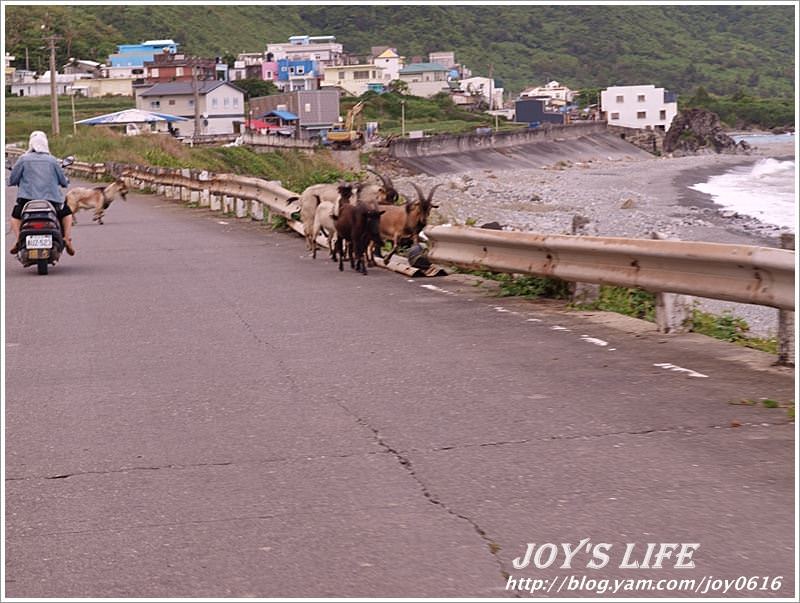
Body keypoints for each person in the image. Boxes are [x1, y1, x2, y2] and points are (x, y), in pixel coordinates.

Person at [8, 131, 75, 256]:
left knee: (15, 217)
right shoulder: (52, 160)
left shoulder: (23, 159)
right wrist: (64, 182)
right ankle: (66, 238)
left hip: (27, 201)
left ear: (31, 144)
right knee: (67, 213)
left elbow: (12, 180)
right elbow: (62, 180)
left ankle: (18, 239)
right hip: (52, 201)